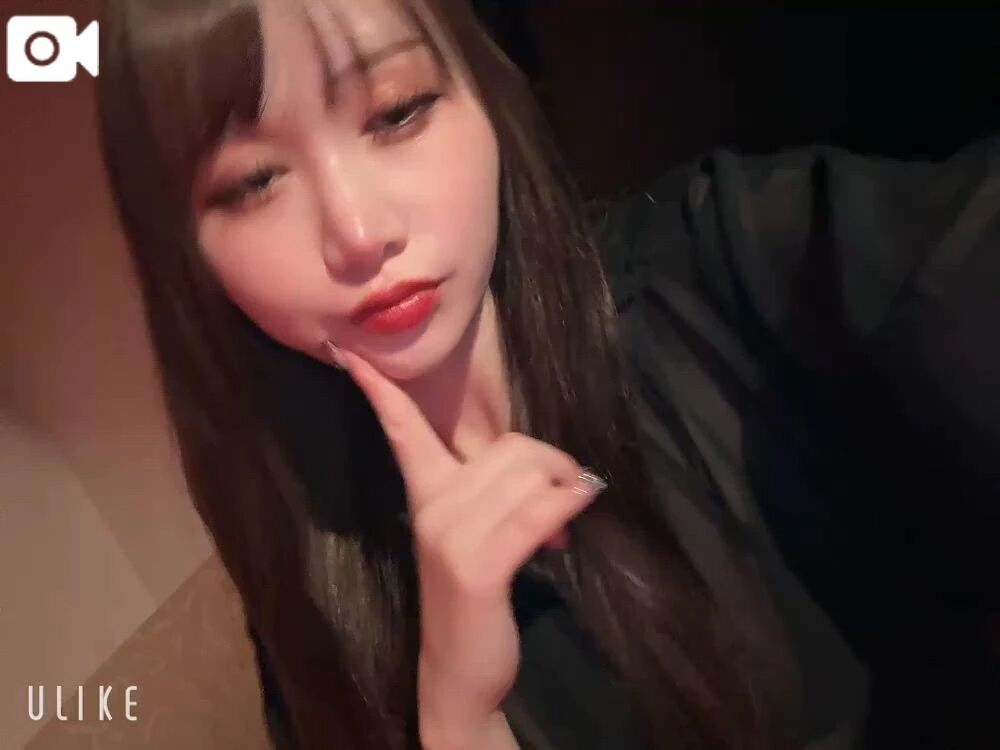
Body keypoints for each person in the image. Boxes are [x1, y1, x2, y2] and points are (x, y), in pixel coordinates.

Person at [95, 0, 999, 748]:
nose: (358, 232)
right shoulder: (310, 577)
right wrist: (458, 719)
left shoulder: (730, 261)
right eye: (253, 182)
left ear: (486, 96)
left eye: (398, 111)